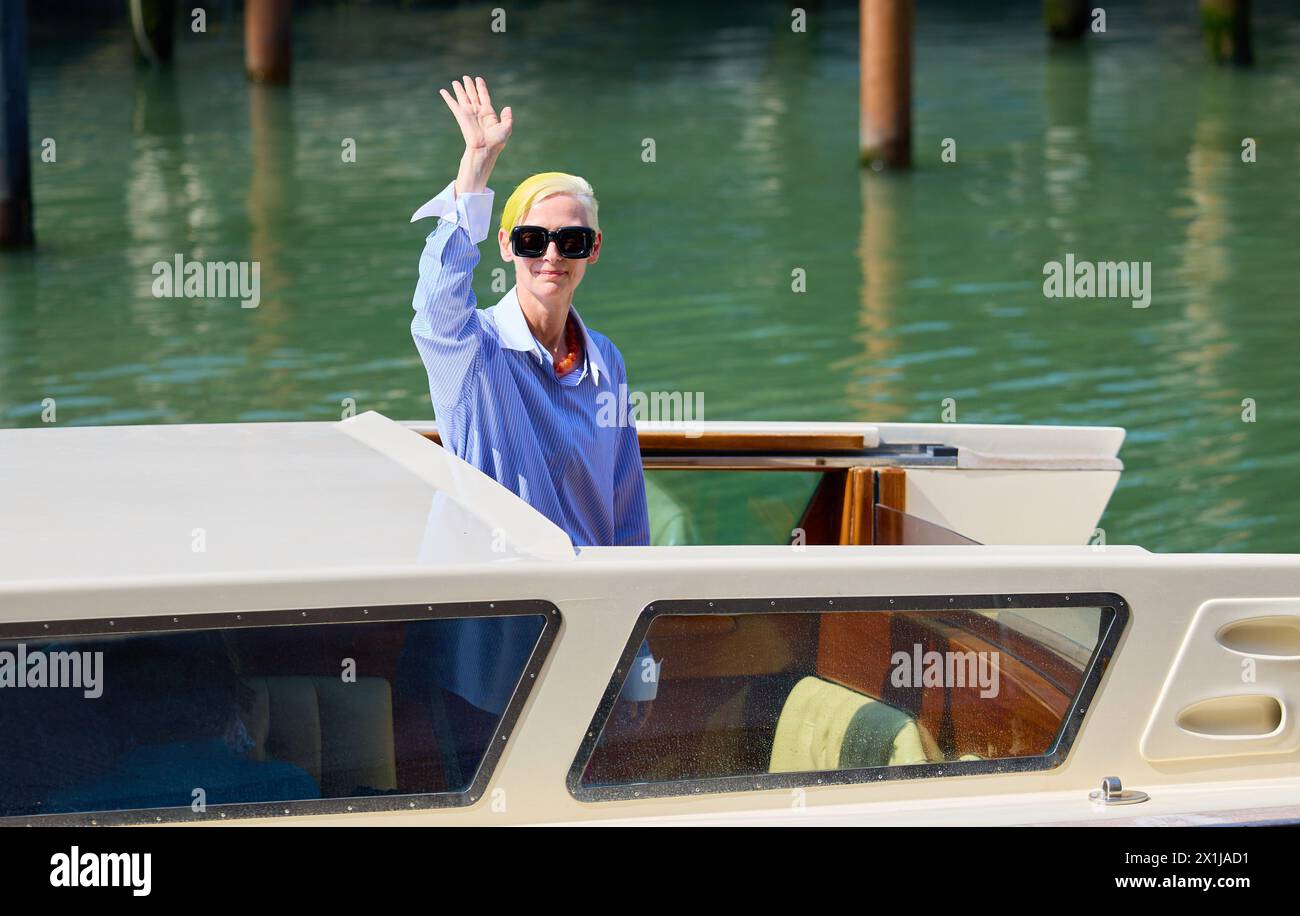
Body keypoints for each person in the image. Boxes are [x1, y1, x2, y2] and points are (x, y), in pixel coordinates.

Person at [404, 77, 656, 787]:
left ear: (594, 250)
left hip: (586, 641)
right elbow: (434, 309)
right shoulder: (470, 353)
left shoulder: (605, 359)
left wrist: (637, 661)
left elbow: (626, 510)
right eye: (534, 238)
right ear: (508, 247)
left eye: (570, 239)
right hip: (483, 653)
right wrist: (473, 178)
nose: (552, 253)